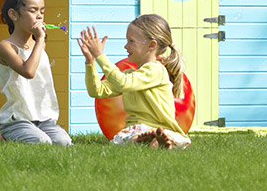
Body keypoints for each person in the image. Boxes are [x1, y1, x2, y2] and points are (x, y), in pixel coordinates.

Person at [78, 14, 191, 149]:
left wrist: (100, 56)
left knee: (144, 137)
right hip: (137, 129)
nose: (126, 46)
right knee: (131, 136)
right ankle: (148, 141)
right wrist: (90, 62)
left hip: (163, 128)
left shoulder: (156, 70)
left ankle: (154, 140)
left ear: (151, 45)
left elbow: (123, 83)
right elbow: (96, 91)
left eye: (131, 41)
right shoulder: (130, 75)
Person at [0, 0, 72, 145]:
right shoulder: (6, 47)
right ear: (13, 15)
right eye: (32, 10)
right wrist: (41, 38)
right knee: (42, 142)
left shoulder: (39, 45)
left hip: (43, 118)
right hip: (17, 119)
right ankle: (7, 136)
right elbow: (28, 71)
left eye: (42, 11)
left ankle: (22, 135)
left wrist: (40, 41)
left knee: (63, 142)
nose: (39, 16)